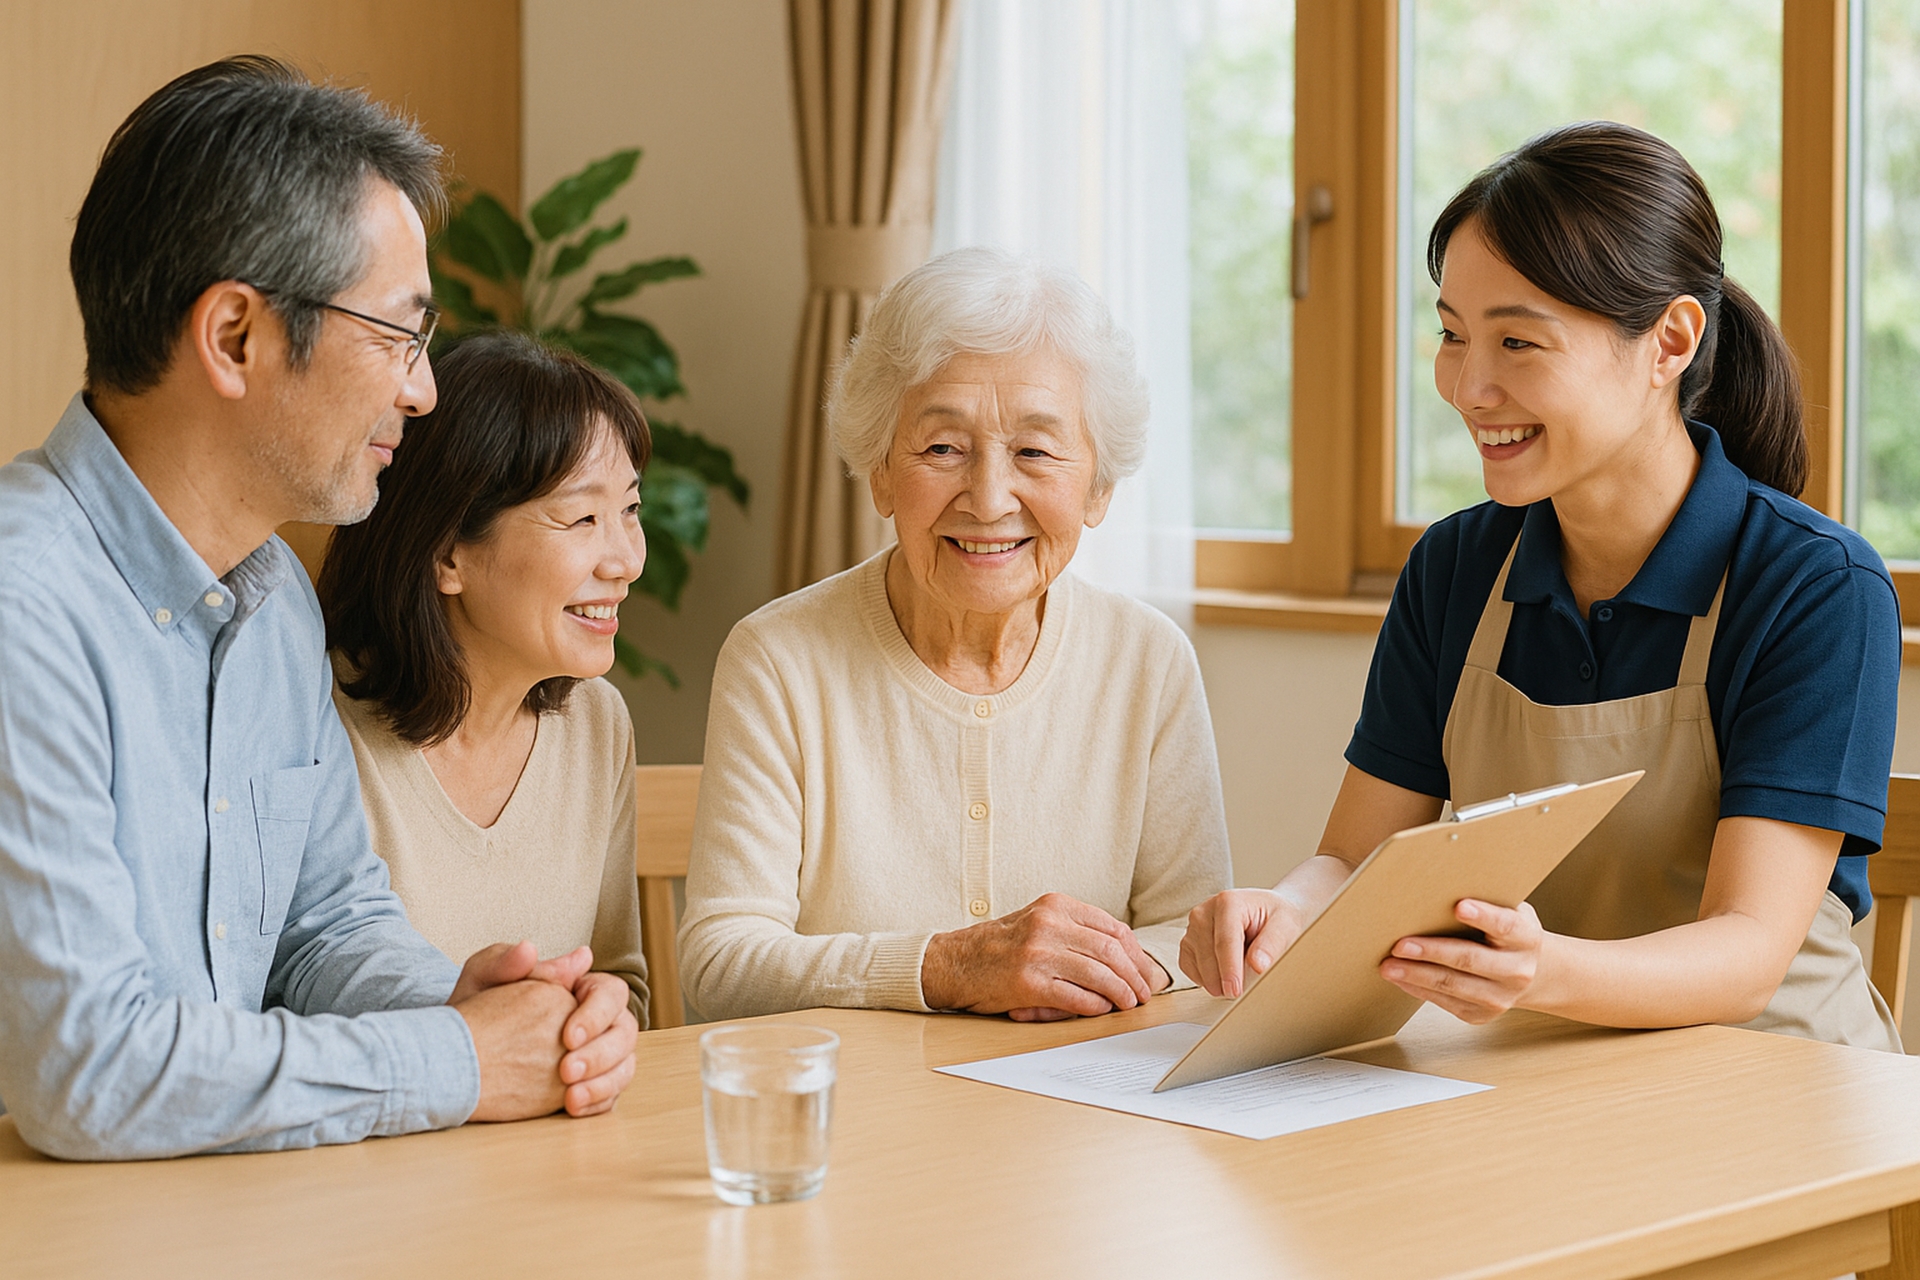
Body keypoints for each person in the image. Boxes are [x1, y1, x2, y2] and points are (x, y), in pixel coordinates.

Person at [0, 56, 637, 1161]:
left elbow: (323, 926)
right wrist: (459, 1058)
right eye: (397, 335)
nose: (422, 389)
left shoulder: (274, 601)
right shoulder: (25, 607)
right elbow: (87, 1069)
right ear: (235, 337)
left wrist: (474, 1006)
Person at [1182, 122, 1902, 1051]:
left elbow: (1748, 952)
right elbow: (1352, 860)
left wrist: (1540, 971)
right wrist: (1283, 910)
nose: (1469, 387)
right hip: (1548, 1075)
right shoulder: (1454, 569)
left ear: (1670, 341)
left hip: (1777, 1082)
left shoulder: (1815, 586)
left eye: (1518, 341)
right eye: (1452, 335)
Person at [679, 246, 1233, 1022]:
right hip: (861, 1096)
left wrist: (1073, 979)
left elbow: (1194, 937)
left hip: (1075, 1094)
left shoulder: (1149, 661)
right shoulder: (779, 660)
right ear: (879, 470)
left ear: (1099, 487)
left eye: (1034, 451)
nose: (989, 497)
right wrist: (949, 968)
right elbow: (720, 963)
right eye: (943, 448)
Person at [319, 332, 651, 1029]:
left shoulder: (597, 723)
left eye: (630, 510)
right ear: (447, 554)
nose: (625, 560)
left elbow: (621, 983)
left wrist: (600, 1019)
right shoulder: (319, 724)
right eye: (582, 518)